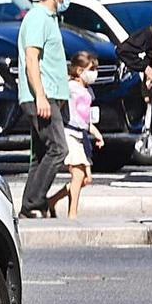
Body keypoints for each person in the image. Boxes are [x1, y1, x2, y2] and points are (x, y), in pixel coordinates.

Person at [17, 0, 71, 218]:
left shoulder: (49, 18)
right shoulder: (38, 17)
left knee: (41, 154)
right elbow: (31, 58)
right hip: (42, 96)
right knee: (59, 149)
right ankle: (34, 202)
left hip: (50, 96)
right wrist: (41, 95)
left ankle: (30, 206)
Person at [47, 52, 104, 218]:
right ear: (79, 71)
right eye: (91, 69)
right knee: (78, 175)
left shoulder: (87, 91)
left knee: (86, 179)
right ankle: (73, 214)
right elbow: (60, 103)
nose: (94, 73)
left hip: (81, 135)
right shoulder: (70, 87)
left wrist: (96, 134)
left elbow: (85, 120)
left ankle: (52, 201)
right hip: (69, 133)